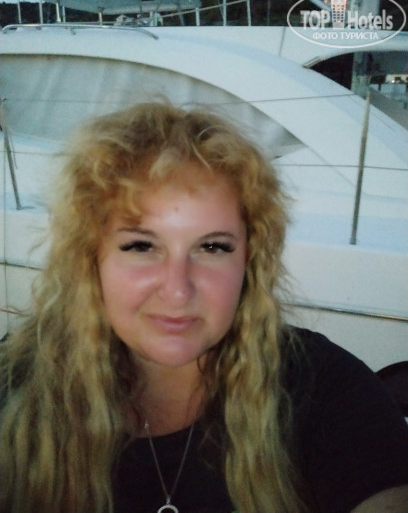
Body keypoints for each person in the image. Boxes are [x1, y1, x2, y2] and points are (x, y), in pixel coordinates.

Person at [0, 102, 408, 513]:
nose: (178, 291)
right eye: (141, 245)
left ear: (249, 260)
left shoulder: (323, 388)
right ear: (91, 259)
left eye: (212, 247)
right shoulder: (15, 387)